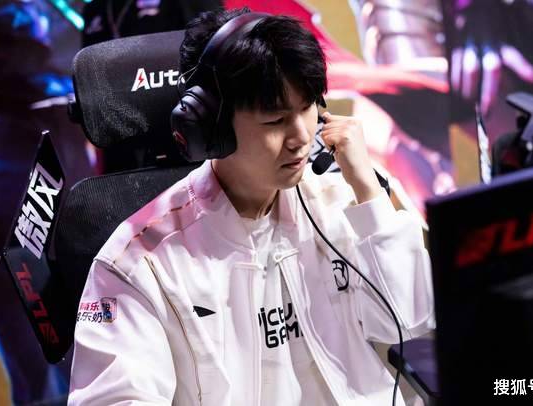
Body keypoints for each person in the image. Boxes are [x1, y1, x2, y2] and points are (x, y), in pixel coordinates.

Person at [68, 7, 434, 405]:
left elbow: (410, 324)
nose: (301, 136)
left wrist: (368, 192)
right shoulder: (139, 264)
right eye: (275, 120)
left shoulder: (342, 199)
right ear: (213, 127)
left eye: (308, 107)